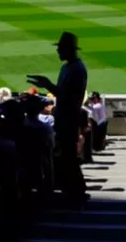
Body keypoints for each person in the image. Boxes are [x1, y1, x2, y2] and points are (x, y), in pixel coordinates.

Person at [27, 32, 89, 206]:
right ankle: (74, 189)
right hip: (64, 115)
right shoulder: (69, 67)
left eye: (61, 49)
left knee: (68, 154)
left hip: (69, 116)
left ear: (68, 49)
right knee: (66, 154)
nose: (58, 52)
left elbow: (67, 95)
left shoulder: (76, 69)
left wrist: (47, 84)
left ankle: (76, 190)